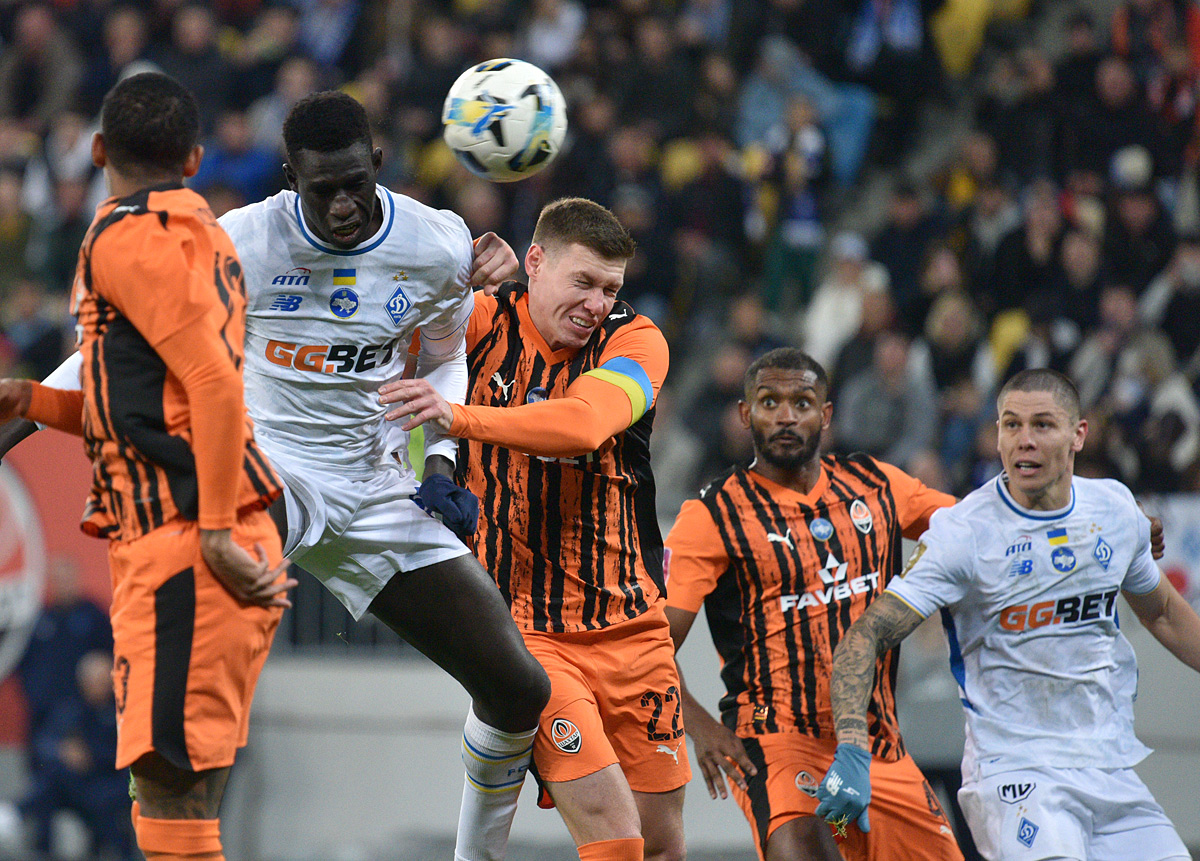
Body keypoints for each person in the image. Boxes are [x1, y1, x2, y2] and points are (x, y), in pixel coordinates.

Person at [0, 89, 551, 861]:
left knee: (519, 688)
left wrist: (442, 457)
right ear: (291, 179)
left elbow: (445, 355)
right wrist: (22, 414)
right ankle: (167, 812)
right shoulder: (240, 242)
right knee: (196, 682)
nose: (343, 205)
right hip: (267, 473)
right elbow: (125, 348)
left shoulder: (436, 243)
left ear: (378, 164)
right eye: (323, 190)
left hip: (374, 485)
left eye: (356, 184)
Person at [0, 71, 294, 861]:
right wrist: (32, 398)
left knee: (170, 802)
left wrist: (218, 531)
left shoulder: (125, 235)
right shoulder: (207, 236)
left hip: (187, 543)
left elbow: (213, 384)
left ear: (98, 150)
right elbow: (144, 403)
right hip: (189, 538)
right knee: (172, 808)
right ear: (194, 159)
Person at [379, 197, 690, 861]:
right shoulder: (483, 321)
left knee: (662, 846)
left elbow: (584, 425)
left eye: (610, 289)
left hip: (635, 629)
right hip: (530, 632)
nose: (596, 304)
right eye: (584, 282)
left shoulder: (638, 341)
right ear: (537, 263)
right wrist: (449, 273)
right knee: (616, 835)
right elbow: (384, 335)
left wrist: (460, 419)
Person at [817, 368, 1198, 860]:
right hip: (1015, 773)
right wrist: (852, 745)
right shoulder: (964, 533)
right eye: (1011, 425)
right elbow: (865, 635)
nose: (1025, 440)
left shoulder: (1114, 510)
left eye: (1043, 425)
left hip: (1111, 768)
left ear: (1079, 434)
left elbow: (1163, 612)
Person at [661, 347, 964, 861]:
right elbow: (650, 643)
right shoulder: (712, 516)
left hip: (873, 746)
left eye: (801, 403)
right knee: (805, 849)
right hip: (776, 741)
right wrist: (699, 725)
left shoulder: (877, 486)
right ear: (745, 414)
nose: (785, 416)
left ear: (825, 415)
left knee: (857, 842)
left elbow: (977, 529)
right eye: (769, 402)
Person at [17, 650, 136, 860]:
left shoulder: (123, 713)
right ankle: (40, 848)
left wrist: (90, 755)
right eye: (91, 681)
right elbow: (44, 743)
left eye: (102, 681)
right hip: (75, 783)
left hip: (109, 784)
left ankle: (121, 854)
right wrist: (62, 751)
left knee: (106, 805)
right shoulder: (70, 708)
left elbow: (126, 758)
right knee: (50, 781)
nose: (97, 687)